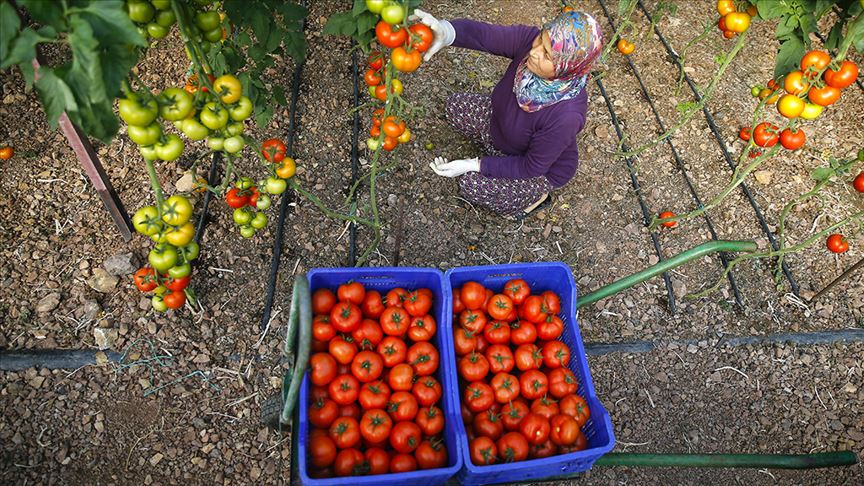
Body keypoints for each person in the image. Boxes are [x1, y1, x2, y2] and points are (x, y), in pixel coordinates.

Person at [414, 8, 602, 218]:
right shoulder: (528, 42)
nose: (535, 51)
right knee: (455, 107)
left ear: (568, 67)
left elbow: (531, 166)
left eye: (547, 54)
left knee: (471, 185)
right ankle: (498, 156)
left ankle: (534, 198)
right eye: (542, 38)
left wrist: (475, 164)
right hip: (504, 130)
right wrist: (446, 31)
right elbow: (485, 35)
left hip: (537, 169)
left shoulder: (566, 115)